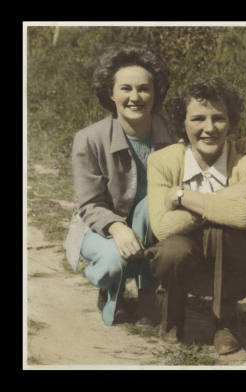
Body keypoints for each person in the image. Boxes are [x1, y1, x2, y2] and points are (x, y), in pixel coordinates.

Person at [145, 76, 246, 356]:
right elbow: (163, 228)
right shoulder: (162, 161)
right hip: (186, 258)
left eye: (219, 118)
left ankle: (225, 323)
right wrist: (225, 197)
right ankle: (173, 314)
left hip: (242, 262)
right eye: (198, 118)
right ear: (183, 123)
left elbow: (243, 216)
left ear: (231, 120)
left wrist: (182, 198)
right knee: (171, 250)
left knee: (223, 232)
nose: (209, 128)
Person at [63, 45, 177, 326]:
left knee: (154, 206)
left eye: (144, 89)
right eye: (125, 88)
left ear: (156, 92)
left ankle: (148, 293)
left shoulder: (173, 133)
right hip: (99, 226)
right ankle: (111, 288)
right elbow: (90, 205)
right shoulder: (89, 139)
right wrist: (117, 228)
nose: (135, 97)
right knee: (113, 262)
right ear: (111, 93)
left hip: (154, 225)